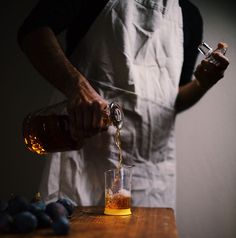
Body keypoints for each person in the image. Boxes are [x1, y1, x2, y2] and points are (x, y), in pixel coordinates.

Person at [18, 0, 229, 209]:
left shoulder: (190, 15)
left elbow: (172, 101)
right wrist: (78, 88)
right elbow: (33, 32)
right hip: (81, 158)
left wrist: (202, 83)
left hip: (149, 172)